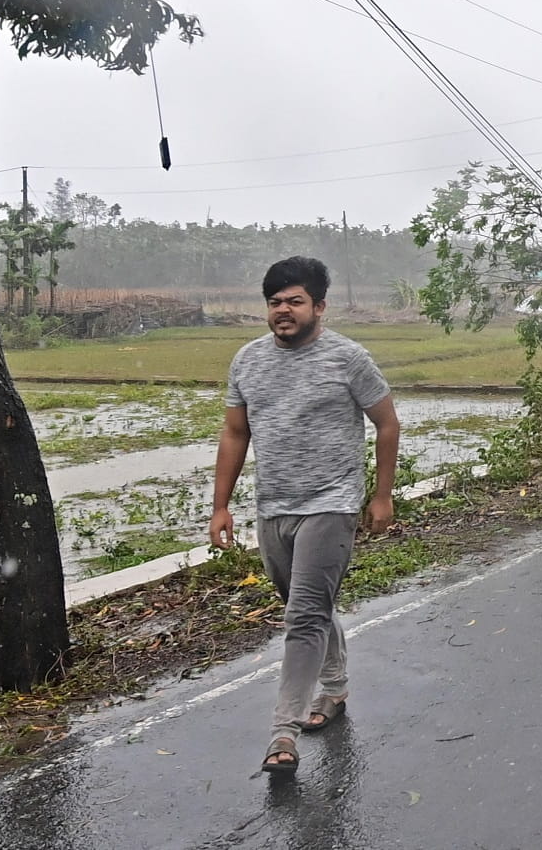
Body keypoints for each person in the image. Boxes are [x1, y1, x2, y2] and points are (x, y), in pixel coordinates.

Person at [208, 256, 400, 777]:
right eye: (275, 303)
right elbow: (235, 433)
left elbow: (386, 424)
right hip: (275, 505)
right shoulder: (247, 361)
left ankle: (283, 733)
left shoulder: (348, 359)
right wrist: (221, 505)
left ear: (319, 306)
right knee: (307, 605)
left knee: (304, 616)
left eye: (294, 301)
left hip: (332, 504)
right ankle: (334, 689)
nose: (283, 311)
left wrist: (380, 496)